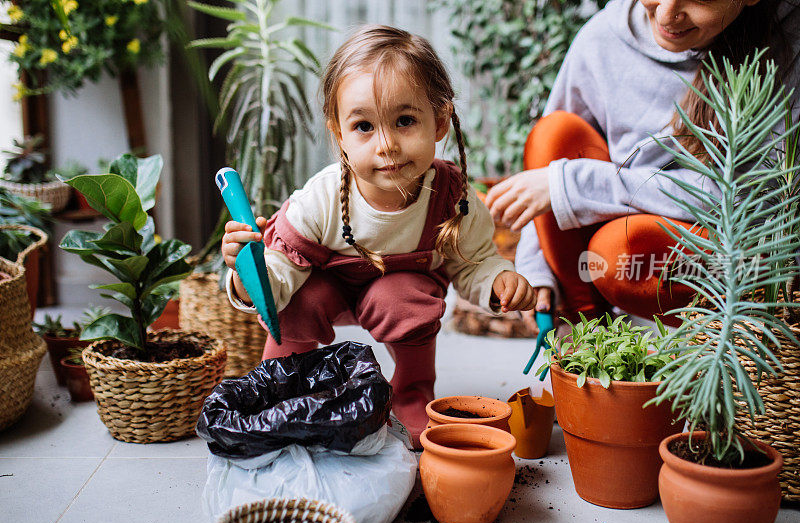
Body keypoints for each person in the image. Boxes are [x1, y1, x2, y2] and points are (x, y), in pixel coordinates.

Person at [221, 25, 536, 447]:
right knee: (299, 301)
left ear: (440, 121)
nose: (386, 145)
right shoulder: (322, 198)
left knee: (404, 297)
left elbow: (475, 261)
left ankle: (410, 395)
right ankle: (285, 390)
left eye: (405, 121)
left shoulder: (452, 197)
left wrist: (498, 281)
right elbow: (278, 273)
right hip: (324, 288)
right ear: (340, 135)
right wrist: (249, 275)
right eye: (364, 126)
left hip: (396, 297)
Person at [485, 0, 800, 331]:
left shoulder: (789, 47)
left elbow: (755, 199)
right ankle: (587, 332)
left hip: (736, 253)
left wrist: (578, 186)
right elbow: (547, 173)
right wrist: (536, 267)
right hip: (619, 230)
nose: (666, 15)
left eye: (699, 0)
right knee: (553, 134)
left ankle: (722, 343)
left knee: (617, 251)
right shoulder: (604, 36)